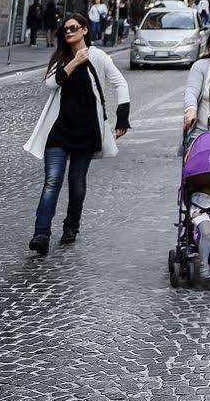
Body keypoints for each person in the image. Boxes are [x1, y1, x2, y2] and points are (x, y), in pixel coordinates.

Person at [23, 15, 130, 254]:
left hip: (87, 130)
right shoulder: (61, 58)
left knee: (76, 182)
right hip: (59, 130)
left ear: (84, 30)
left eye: (73, 28)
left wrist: (122, 118)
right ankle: (41, 234)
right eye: (65, 30)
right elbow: (51, 84)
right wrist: (73, 62)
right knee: (52, 181)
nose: (69, 32)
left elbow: (120, 83)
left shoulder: (98, 56)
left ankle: (71, 227)